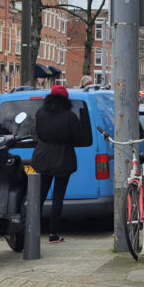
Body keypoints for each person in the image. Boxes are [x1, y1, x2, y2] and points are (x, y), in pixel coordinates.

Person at [32, 85, 88, 243]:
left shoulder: (40, 113)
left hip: (43, 156)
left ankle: (31, 230)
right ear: (65, 100)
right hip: (63, 158)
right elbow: (80, 138)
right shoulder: (69, 116)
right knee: (58, 197)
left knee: (39, 196)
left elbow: (38, 133)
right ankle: (53, 234)